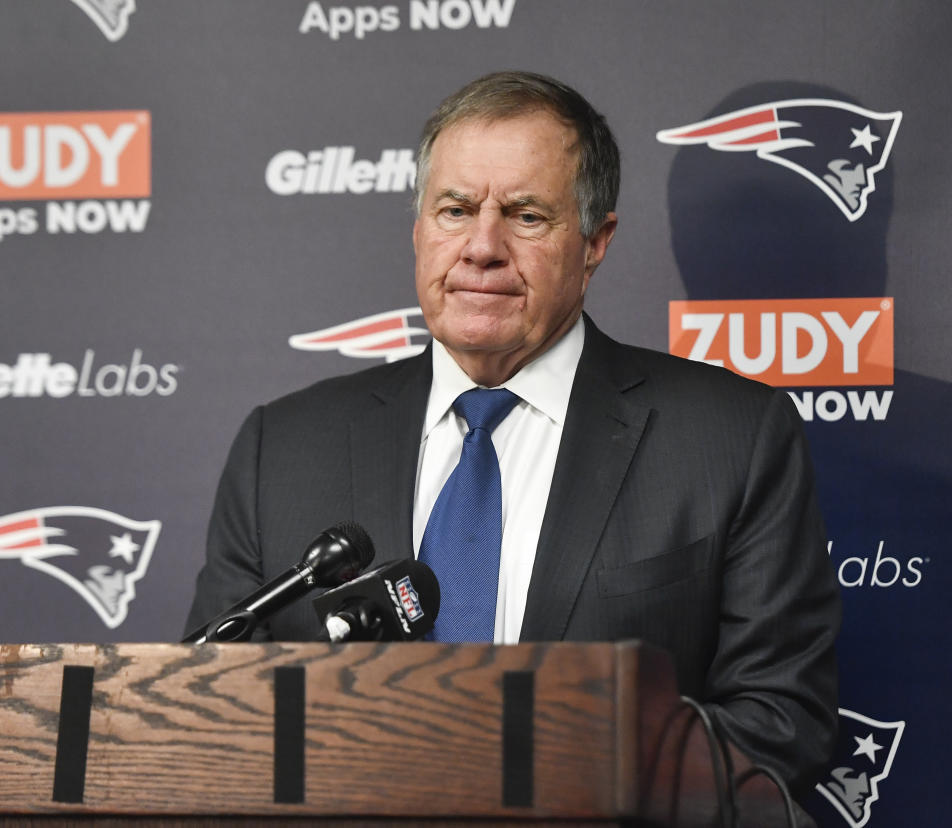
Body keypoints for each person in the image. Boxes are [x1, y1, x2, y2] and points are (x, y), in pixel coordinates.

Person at [185, 70, 840, 795]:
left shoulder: (730, 439)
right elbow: (207, 715)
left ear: (595, 242)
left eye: (526, 216)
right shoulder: (282, 450)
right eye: (455, 210)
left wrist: (538, 773)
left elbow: (782, 724)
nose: (482, 247)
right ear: (418, 231)